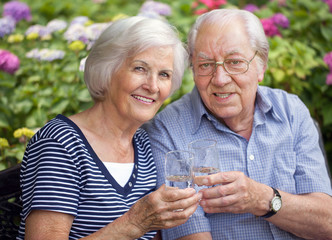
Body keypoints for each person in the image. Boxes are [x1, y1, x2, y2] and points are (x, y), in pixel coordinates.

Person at [143, 9, 332, 240]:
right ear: (193, 68)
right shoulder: (167, 130)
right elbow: (190, 235)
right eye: (205, 64)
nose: (220, 79)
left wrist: (262, 199)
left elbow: (327, 224)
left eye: (234, 62)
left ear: (261, 65)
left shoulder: (290, 111)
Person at [17, 16, 201, 240]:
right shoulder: (61, 144)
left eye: (164, 74)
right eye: (140, 68)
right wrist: (134, 223)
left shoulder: (142, 145)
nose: (153, 86)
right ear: (106, 70)